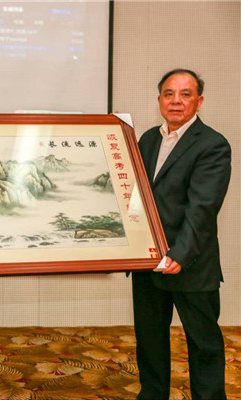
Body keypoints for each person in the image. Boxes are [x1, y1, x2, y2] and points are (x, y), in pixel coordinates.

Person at [133, 69, 231, 400]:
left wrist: (180, 252)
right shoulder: (148, 139)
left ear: (199, 102)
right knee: (149, 340)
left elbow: (203, 207)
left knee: (203, 344)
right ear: (159, 100)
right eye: (169, 94)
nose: (176, 101)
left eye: (185, 94)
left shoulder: (213, 145)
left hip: (190, 263)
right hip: (148, 262)